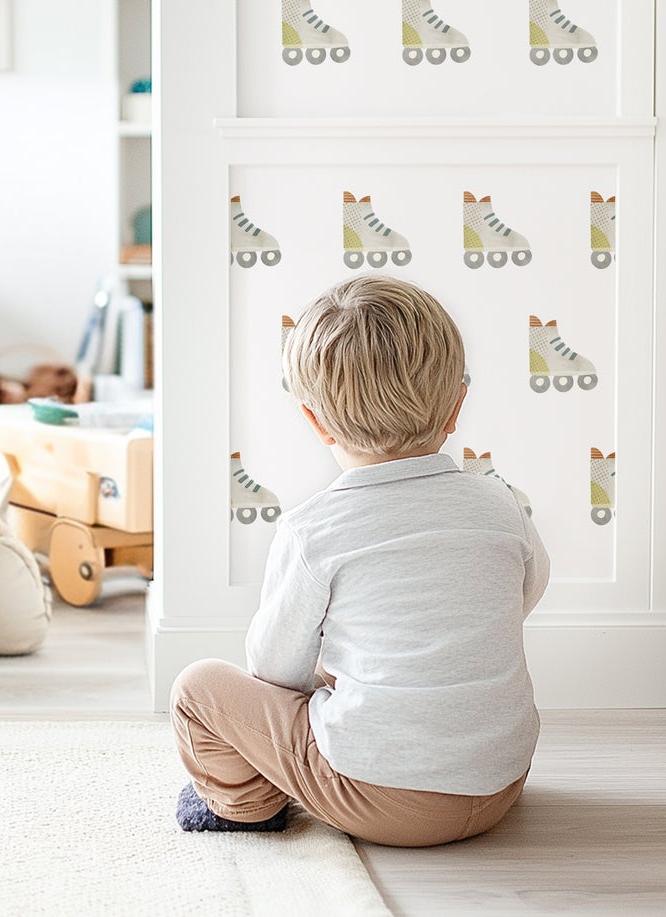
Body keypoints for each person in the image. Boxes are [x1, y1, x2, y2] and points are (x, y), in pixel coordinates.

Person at [171, 276, 551, 846]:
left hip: (382, 801)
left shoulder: (315, 529)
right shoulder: (498, 500)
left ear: (315, 421)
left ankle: (243, 803)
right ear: (456, 406)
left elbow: (274, 669)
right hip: (499, 783)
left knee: (198, 687)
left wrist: (324, 674)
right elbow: (528, 588)